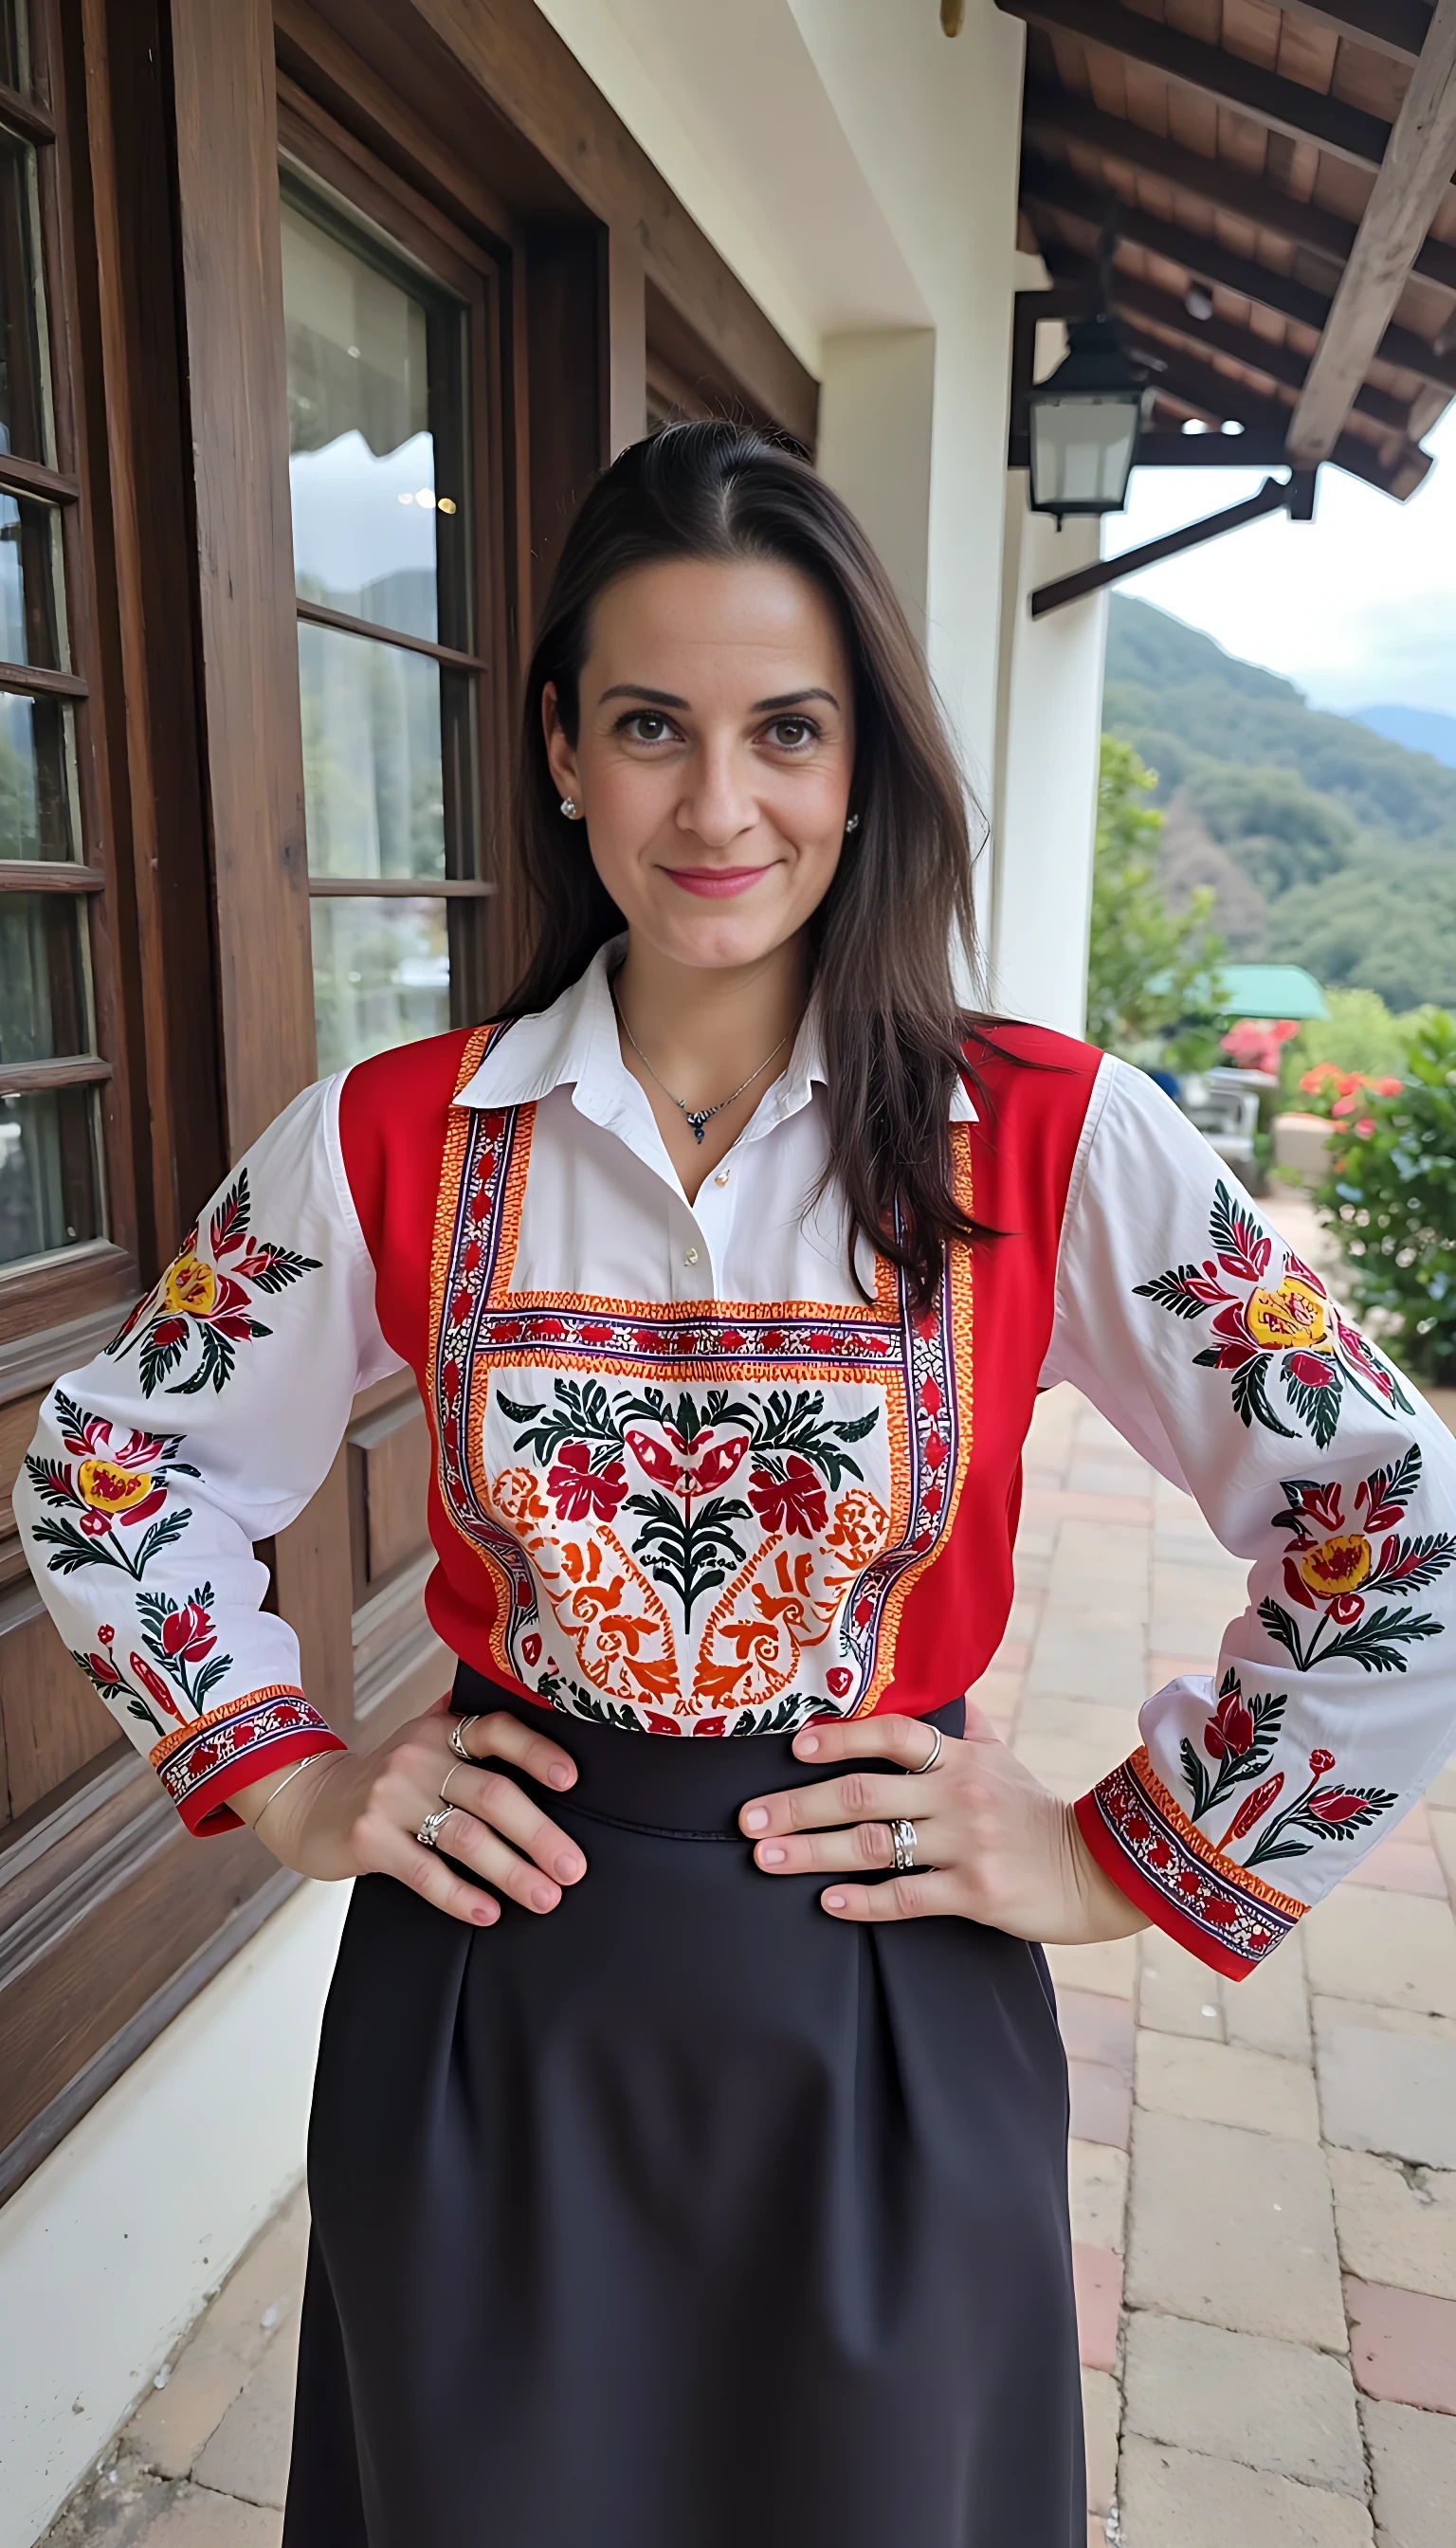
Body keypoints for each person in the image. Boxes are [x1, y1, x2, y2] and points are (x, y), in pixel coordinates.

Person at [17, 423, 1456, 2548]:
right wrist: (293, 1780)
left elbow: (1395, 1529)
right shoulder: (391, 1139)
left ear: (863, 758)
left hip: (884, 2005)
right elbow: (117, 1467)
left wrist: (1115, 1857)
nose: (721, 805)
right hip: (492, 2007)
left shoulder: (1053, 1139)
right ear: (561, 754)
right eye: (650, 727)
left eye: (787, 728)